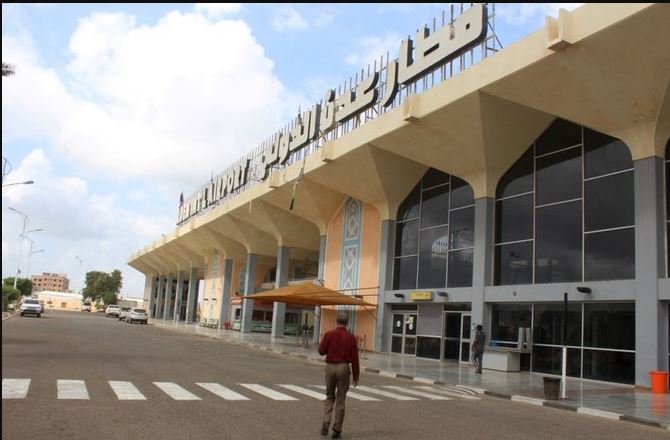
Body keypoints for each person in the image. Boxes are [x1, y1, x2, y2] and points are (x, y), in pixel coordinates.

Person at [318, 313, 359, 439]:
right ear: (347, 323)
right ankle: (337, 430)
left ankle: (326, 420)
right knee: (341, 399)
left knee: (329, 396)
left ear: (336, 321)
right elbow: (355, 359)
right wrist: (356, 376)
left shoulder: (329, 334)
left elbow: (321, 351)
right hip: (344, 367)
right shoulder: (351, 337)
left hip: (330, 367)